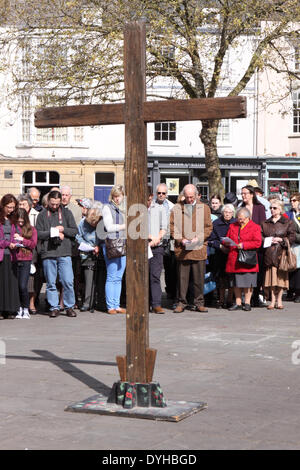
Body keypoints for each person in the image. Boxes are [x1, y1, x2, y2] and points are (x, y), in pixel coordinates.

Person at [170, 183, 213, 313]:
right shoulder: (177, 208)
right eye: (187, 197)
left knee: (199, 278)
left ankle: (199, 302)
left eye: (192, 197)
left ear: (196, 195)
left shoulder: (204, 208)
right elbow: (172, 227)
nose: (190, 199)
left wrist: (198, 238)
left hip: (198, 248)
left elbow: (208, 227)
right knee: (182, 279)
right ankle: (181, 302)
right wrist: (180, 239)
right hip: (183, 249)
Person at [36, 190, 78, 318]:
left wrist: (63, 229)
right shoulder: (42, 215)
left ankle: (69, 306)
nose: (54, 206)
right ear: (48, 201)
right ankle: (54, 307)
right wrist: (52, 232)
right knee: (50, 282)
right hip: (48, 253)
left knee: (68, 281)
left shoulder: (66, 213)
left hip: (64, 252)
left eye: (57, 204)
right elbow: (38, 233)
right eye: (52, 204)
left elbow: (75, 231)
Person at [224, 207, 262, 311]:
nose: (240, 221)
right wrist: (225, 242)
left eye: (242, 219)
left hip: (247, 259)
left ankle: (247, 302)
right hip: (234, 258)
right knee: (236, 282)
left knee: (248, 282)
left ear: (248, 217)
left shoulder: (255, 227)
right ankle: (238, 302)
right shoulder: (233, 225)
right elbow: (228, 238)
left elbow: (258, 242)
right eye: (238, 218)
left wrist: (244, 245)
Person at [261, 199, 296, 310]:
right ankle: (272, 300)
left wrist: (282, 240)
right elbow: (260, 237)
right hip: (270, 253)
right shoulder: (265, 223)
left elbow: (292, 237)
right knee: (271, 279)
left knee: (280, 279)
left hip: (281, 254)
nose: (272, 210)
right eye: (271, 208)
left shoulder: (287, 222)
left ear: (280, 209)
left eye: (275, 208)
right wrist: (268, 240)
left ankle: (279, 299)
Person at [102, 185, 126, 314]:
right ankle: (110, 306)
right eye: (115, 196)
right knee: (111, 277)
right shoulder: (107, 207)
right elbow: (109, 226)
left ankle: (116, 305)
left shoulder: (122, 209)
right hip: (111, 244)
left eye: (119, 196)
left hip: (123, 244)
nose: (117, 199)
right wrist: (124, 226)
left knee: (119, 277)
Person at [240, 184, 266, 307]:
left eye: (245, 193)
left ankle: (256, 296)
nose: (243, 195)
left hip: (257, 245)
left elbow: (263, 226)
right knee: (245, 271)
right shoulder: (240, 207)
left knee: (258, 271)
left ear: (251, 194)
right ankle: (245, 299)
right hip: (244, 244)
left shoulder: (259, 208)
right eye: (242, 193)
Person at [208, 204, 236, 308]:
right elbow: (211, 239)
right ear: (222, 212)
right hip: (219, 253)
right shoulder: (216, 223)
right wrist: (220, 246)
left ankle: (230, 299)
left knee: (231, 278)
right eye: (225, 212)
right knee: (220, 278)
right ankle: (221, 299)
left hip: (232, 253)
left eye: (230, 212)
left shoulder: (236, 223)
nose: (227, 214)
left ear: (233, 213)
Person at [76, 205, 102, 311]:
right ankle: (87, 302)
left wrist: (99, 246)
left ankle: (100, 301)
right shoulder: (83, 223)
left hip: (100, 253)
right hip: (87, 253)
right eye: (91, 223)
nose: (93, 225)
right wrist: (87, 245)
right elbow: (78, 236)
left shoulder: (102, 222)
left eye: (95, 223)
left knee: (100, 280)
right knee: (88, 279)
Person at [153, 183, 176, 304]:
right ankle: (154, 297)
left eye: (163, 193)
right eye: (159, 193)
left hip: (168, 241)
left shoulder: (172, 207)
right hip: (154, 241)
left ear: (167, 194)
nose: (161, 195)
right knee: (155, 271)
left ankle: (170, 293)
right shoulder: (151, 205)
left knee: (170, 269)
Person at [147, 186, 167, 314]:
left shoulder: (160, 209)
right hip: (143, 246)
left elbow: (163, 227)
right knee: (142, 277)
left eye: (149, 199)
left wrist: (157, 238)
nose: (148, 202)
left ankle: (156, 304)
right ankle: (144, 303)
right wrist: (149, 237)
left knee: (155, 276)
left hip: (157, 247)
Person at [0, 194, 20, 319]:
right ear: (3, 206)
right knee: (2, 283)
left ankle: (10, 309)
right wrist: (8, 243)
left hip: (12, 254)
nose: (11, 210)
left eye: (13, 207)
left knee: (11, 282)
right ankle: (1, 310)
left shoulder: (14, 219)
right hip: (2, 253)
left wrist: (18, 240)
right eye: (8, 207)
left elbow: (17, 232)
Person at [14, 208, 37, 319]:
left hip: (26, 260)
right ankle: (19, 308)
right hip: (15, 259)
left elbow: (33, 244)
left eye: (22, 221)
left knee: (23, 286)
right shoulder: (14, 228)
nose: (21, 223)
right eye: (19, 221)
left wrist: (22, 239)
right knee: (16, 286)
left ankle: (26, 308)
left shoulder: (31, 229)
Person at [285, 194, 300, 302]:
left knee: (298, 269)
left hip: (298, 245)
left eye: (294, 200)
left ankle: (298, 292)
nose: (292, 202)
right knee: (291, 268)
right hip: (290, 246)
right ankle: (291, 291)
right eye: (291, 200)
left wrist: (294, 237)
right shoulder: (288, 214)